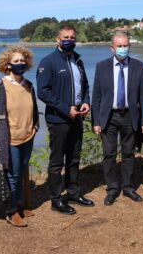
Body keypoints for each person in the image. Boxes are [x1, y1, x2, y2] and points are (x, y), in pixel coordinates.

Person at [37, 24, 94, 215]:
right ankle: (55, 199)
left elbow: (85, 85)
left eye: (72, 37)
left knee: (74, 157)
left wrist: (86, 102)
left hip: (77, 116)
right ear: (57, 39)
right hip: (58, 119)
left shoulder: (77, 60)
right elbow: (43, 92)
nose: (69, 40)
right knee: (56, 161)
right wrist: (64, 108)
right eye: (65, 37)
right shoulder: (49, 62)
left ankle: (73, 191)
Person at [92, 33, 143, 206]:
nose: (123, 49)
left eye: (126, 45)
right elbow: (96, 96)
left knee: (128, 153)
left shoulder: (138, 66)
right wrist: (96, 121)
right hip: (109, 116)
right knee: (109, 154)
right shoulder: (101, 66)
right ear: (112, 48)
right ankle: (112, 188)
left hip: (129, 116)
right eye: (119, 46)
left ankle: (127, 186)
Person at [0, 47, 39, 227]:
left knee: (22, 172)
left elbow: (34, 109)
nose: (20, 64)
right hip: (9, 140)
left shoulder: (29, 85)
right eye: (16, 61)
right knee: (13, 176)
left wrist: (36, 126)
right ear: (7, 65)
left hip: (28, 137)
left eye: (22, 60)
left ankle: (20, 205)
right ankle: (12, 212)